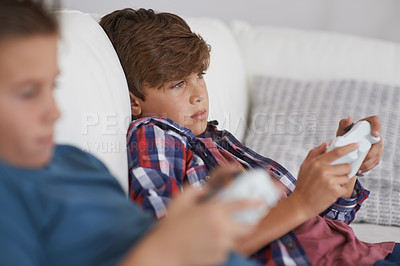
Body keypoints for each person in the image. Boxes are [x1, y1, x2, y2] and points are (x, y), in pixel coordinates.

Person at [100, 8, 400, 265]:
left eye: (199, 75)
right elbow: (173, 250)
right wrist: (301, 205)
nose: (198, 95)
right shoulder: (155, 133)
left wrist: (344, 176)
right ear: (134, 102)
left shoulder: (217, 140)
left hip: (365, 254)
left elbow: (317, 226)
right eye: (178, 83)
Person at [0, 1, 264, 265]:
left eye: (52, 86)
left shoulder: (80, 163)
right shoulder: (10, 195)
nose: (55, 112)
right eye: (28, 92)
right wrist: (168, 247)